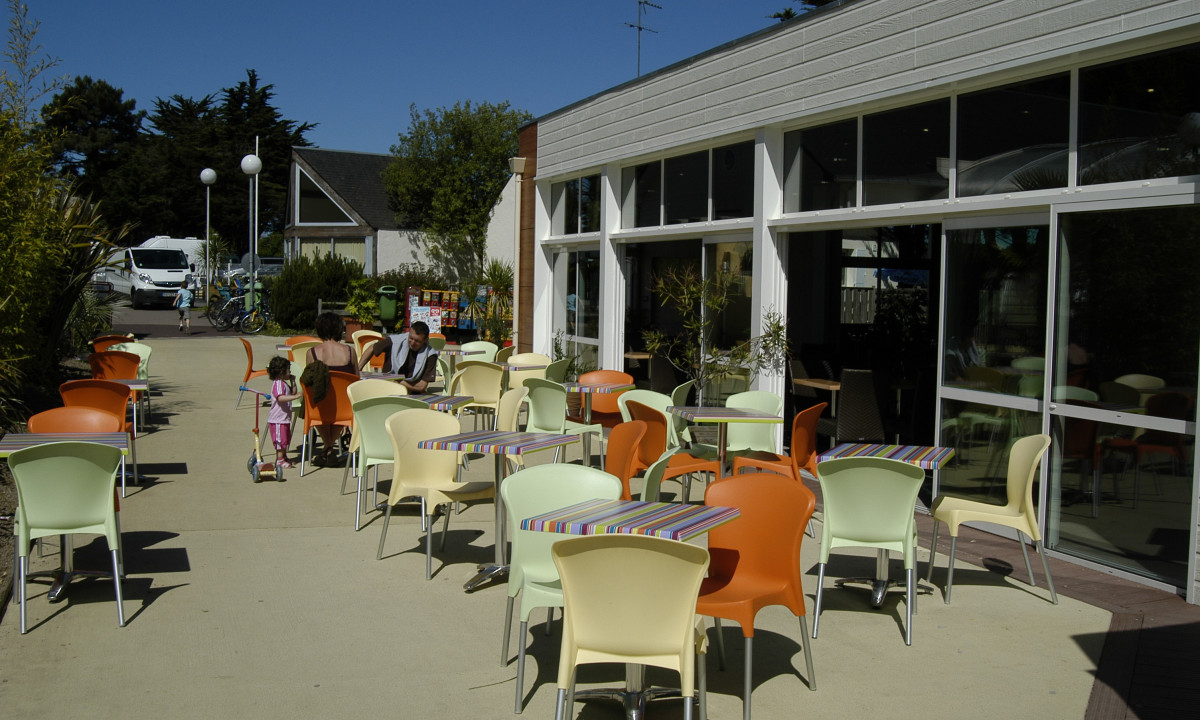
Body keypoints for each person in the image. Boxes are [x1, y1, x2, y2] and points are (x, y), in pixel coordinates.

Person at [306, 312, 360, 466]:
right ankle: (329, 446)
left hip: (320, 408)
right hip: (344, 408)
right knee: (346, 400)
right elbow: (356, 380)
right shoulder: (350, 352)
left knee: (315, 399)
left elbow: (309, 383)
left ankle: (328, 447)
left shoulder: (312, 353)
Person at [358, 320, 439, 392]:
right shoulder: (395, 341)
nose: (413, 343)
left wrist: (398, 382)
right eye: (411, 338)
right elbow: (372, 348)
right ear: (409, 333)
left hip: (410, 391)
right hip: (387, 386)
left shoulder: (431, 355)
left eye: (417, 341)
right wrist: (358, 370)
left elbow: (422, 386)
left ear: (425, 340)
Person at [266, 356, 301, 469]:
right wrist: (295, 396)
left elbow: (291, 392)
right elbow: (280, 398)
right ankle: (279, 459)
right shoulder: (278, 384)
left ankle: (284, 457)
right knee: (280, 440)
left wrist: (293, 382)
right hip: (278, 418)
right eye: (288, 370)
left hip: (284, 418)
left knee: (285, 438)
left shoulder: (284, 383)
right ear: (282, 372)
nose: (289, 372)